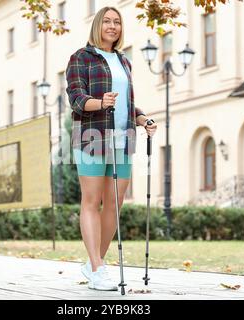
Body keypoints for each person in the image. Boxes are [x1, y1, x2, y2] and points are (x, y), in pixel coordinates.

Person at [65, 6, 157, 291]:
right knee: (91, 201)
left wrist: (141, 118)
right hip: (92, 134)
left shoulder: (123, 60)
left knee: (115, 204)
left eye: (117, 22)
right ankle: (97, 266)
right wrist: (100, 102)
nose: (112, 26)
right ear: (97, 25)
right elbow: (77, 98)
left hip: (123, 136)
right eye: (107, 21)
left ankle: (97, 264)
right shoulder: (81, 57)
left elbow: (126, 101)